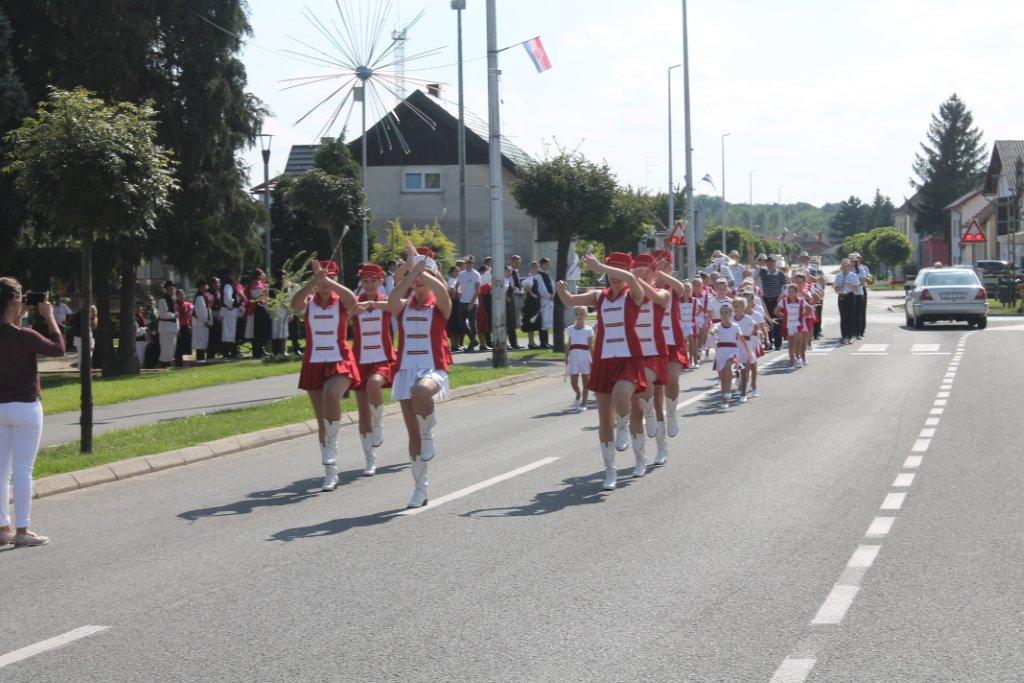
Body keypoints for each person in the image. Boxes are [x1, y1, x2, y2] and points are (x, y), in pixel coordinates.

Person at [555, 252, 647, 492]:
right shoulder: (599, 296)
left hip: (628, 358)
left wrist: (601, 266)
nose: (614, 276)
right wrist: (562, 291)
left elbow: (631, 279)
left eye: (618, 271)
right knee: (604, 418)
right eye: (610, 271)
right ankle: (610, 470)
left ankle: (631, 440)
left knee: (623, 399)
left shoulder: (634, 294)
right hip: (604, 360)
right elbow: (571, 300)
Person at [375, 244, 453, 509]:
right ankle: (420, 488)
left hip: (432, 367)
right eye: (416, 281)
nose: (419, 284)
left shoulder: (440, 303)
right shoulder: (404, 305)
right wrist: (412, 271)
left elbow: (441, 290)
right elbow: (390, 299)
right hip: (405, 369)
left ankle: (430, 432)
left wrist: (425, 267)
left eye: (424, 280)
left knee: (422, 393)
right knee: (412, 435)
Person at [0, 279, 65, 546]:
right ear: (15, 302)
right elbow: (58, 349)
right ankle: (23, 531)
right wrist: (50, 317)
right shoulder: (24, 336)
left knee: (0, 471)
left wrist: (18, 316)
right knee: (23, 470)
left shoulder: (17, 331)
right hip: (26, 407)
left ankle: (3, 527)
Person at [291, 260, 360, 492]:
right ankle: (330, 471)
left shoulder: (341, 303)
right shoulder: (309, 303)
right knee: (321, 420)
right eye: (322, 278)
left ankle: (332, 448)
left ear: (335, 279)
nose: (324, 283)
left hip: (339, 358)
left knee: (332, 394)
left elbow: (354, 301)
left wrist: (328, 281)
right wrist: (313, 281)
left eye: (330, 277)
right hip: (313, 362)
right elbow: (294, 303)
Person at [350, 263, 396, 477]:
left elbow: (397, 304)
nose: (368, 285)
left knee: (374, 384)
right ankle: (370, 459)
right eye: (365, 281)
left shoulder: (386, 302)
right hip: (360, 360)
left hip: (381, 358)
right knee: (362, 412)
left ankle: (379, 422)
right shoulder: (354, 303)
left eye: (373, 281)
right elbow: (343, 310)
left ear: (381, 281)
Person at [629, 252, 670, 475]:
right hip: (633, 353)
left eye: (648, 269)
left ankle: (662, 447)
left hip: (655, 352)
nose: (643, 273)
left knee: (656, 402)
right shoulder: (630, 293)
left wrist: (638, 280)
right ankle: (640, 459)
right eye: (639, 268)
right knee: (635, 410)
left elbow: (658, 297)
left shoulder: (660, 292)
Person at [653, 251, 691, 451]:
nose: (662, 268)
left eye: (667, 264)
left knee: (672, 380)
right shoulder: (647, 287)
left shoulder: (673, 287)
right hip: (653, 345)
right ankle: (661, 446)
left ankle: (673, 412)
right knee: (655, 397)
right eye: (658, 264)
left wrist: (661, 272)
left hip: (673, 342)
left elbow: (681, 288)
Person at [709, 303, 748, 409]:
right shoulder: (717, 326)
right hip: (721, 353)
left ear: (731, 313)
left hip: (733, 352)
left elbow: (741, 339)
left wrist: (747, 352)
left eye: (726, 312)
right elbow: (714, 330)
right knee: (723, 378)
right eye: (722, 313)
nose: (724, 314)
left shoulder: (735, 326)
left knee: (728, 366)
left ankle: (728, 392)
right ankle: (725, 399)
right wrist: (712, 332)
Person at [564, 305, 594, 412]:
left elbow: (591, 346)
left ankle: (584, 402)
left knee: (586, 382)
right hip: (574, 356)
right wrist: (566, 356)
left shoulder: (588, 329)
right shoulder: (570, 329)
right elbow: (569, 344)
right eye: (577, 314)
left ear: (585, 315)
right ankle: (578, 393)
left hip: (585, 357)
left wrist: (594, 359)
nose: (579, 316)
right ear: (574, 316)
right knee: (573, 381)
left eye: (581, 314)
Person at [775, 283, 808, 371]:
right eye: (789, 291)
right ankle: (792, 361)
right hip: (789, 324)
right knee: (791, 343)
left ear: (796, 292)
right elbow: (776, 311)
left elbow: (809, 309)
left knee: (798, 341)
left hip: (798, 324)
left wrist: (802, 316)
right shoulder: (784, 301)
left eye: (792, 291)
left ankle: (798, 357)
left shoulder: (801, 301)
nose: (790, 293)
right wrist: (784, 317)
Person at [758, 256, 787, 351]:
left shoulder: (780, 274)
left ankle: (778, 343)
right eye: (767, 264)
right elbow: (754, 266)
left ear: (774, 264)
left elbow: (784, 287)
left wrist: (780, 297)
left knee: (777, 320)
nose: (769, 266)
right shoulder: (764, 273)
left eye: (770, 264)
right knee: (767, 321)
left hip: (776, 299)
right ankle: (769, 342)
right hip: (766, 298)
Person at [457, 255, 481, 351]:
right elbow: (458, 285)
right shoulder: (461, 274)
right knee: (461, 323)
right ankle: (473, 339)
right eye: (468, 262)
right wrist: (458, 291)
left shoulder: (476, 274)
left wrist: (472, 302)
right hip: (463, 301)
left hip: (472, 302)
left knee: (472, 323)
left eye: (471, 263)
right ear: (465, 263)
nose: (469, 264)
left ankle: (471, 345)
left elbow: (478, 289)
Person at [833, 258, 859, 344]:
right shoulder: (839, 276)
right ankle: (844, 336)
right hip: (841, 295)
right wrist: (842, 285)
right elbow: (836, 289)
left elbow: (856, 288)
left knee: (850, 316)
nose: (845, 267)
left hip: (850, 296)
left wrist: (849, 284)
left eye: (846, 266)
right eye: (843, 266)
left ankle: (850, 336)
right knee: (843, 317)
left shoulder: (853, 275)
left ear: (849, 266)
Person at [157, 280, 180, 369]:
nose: (172, 291)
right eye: (170, 289)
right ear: (166, 290)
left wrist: (177, 328)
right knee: (166, 348)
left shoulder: (172, 300)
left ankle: (167, 363)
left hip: (172, 328)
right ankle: (163, 364)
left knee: (171, 348)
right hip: (166, 328)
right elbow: (164, 314)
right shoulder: (163, 300)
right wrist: (175, 315)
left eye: (173, 289)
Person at [249, 268, 271, 359]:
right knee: (259, 330)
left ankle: (260, 350)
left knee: (260, 331)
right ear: (258, 275)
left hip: (259, 308)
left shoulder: (258, 284)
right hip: (258, 308)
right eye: (261, 274)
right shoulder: (256, 284)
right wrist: (265, 292)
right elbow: (257, 297)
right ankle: (258, 351)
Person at [851, 252, 873, 339]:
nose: (857, 260)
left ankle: (861, 330)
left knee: (861, 311)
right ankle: (853, 330)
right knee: (852, 312)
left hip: (861, 289)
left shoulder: (864, 268)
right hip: (852, 290)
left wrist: (862, 278)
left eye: (858, 258)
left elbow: (867, 280)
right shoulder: (850, 268)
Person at [521, 261, 542, 348]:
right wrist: (532, 294)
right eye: (535, 267)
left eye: (537, 267)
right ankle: (531, 342)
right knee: (531, 323)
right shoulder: (530, 277)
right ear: (532, 268)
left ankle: (532, 342)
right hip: (531, 303)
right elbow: (526, 285)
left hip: (534, 303)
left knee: (533, 323)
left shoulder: (535, 277)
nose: (537, 268)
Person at [220, 273, 241, 359]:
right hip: (229, 311)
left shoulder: (229, 285)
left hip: (230, 312)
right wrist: (231, 305)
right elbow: (228, 298)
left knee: (229, 332)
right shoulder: (228, 286)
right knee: (229, 332)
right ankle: (228, 351)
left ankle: (230, 351)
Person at [192, 280, 214, 361]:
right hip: (200, 323)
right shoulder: (200, 297)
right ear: (201, 287)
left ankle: (201, 358)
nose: (207, 287)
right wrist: (205, 320)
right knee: (200, 342)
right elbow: (201, 311)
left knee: (202, 341)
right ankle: (200, 359)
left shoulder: (202, 296)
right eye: (205, 285)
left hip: (200, 323)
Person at [536, 257, 555, 348]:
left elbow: (552, 285)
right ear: (542, 264)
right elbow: (541, 288)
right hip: (544, 300)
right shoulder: (539, 275)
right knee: (543, 320)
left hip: (549, 300)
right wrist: (548, 295)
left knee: (547, 320)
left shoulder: (546, 275)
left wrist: (553, 294)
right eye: (547, 264)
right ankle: (543, 342)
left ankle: (546, 341)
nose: (548, 266)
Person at [174, 288, 193, 368]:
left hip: (187, 327)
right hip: (179, 327)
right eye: (179, 295)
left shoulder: (188, 305)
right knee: (178, 346)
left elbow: (190, 316)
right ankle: (178, 363)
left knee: (186, 345)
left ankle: (184, 362)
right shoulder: (175, 306)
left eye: (182, 294)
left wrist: (190, 325)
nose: (181, 296)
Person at [504, 265, 521, 349]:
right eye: (508, 271)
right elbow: (502, 291)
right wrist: (507, 298)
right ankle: (504, 343)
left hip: (511, 302)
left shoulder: (509, 279)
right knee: (507, 324)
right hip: (506, 304)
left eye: (510, 271)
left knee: (512, 324)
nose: (510, 272)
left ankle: (514, 343)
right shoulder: (503, 280)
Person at [509, 255, 524, 348]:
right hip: (513, 297)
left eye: (519, 262)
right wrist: (518, 291)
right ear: (512, 261)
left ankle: (514, 342)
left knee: (516, 321)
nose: (518, 264)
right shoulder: (510, 272)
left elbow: (518, 284)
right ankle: (514, 343)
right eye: (516, 262)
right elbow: (511, 285)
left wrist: (521, 290)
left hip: (518, 297)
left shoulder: (516, 272)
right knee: (513, 321)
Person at [477, 268, 493, 351]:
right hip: (481, 304)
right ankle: (482, 344)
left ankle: (485, 343)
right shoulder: (481, 282)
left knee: (485, 324)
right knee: (481, 324)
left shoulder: (487, 282)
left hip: (487, 305)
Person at [208, 276, 223, 359]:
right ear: (213, 284)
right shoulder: (210, 293)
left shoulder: (218, 292)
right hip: (213, 316)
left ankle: (218, 350)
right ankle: (211, 354)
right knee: (213, 336)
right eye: (217, 283)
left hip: (219, 315)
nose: (219, 284)